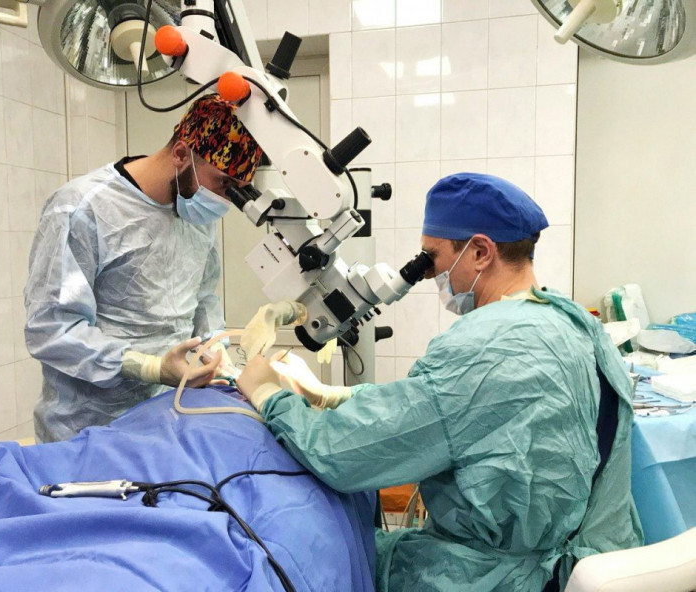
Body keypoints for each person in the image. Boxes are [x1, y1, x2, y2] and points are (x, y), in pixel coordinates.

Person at [236, 173, 643, 591]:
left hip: (502, 580)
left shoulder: (484, 346)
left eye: (432, 256)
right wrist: (335, 395)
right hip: (593, 563)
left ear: (480, 252)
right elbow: (447, 409)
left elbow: (341, 454)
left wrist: (270, 396)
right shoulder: (576, 324)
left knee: (325, 557)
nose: (429, 273)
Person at [25, 94, 262, 443]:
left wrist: (218, 354)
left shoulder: (195, 212)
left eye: (238, 191)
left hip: (169, 419)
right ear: (180, 154)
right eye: (224, 184)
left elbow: (202, 298)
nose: (225, 200)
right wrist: (150, 367)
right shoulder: (82, 208)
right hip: (90, 430)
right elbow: (52, 329)